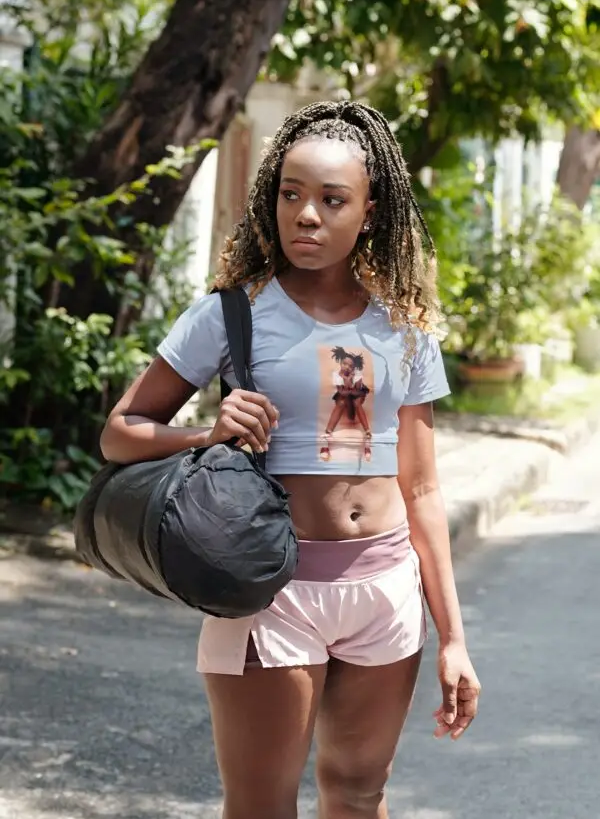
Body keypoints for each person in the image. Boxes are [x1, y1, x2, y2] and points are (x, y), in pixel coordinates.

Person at [100, 100, 480, 819]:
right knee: (261, 806)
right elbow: (121, 432)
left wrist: (454, 639)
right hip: (270, 588)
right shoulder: (232, 314)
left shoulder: (405, 330)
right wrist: (204, 436)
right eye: (291, 194)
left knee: (360, 795)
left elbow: (424, 490)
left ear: (369, 212)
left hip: (385, 589)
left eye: (332, 200)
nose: (306, 215)